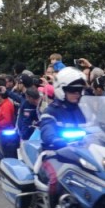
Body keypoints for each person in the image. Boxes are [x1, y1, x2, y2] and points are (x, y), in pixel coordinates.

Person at [38, 67, 88, 195]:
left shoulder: (84, 109)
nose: (77, 93)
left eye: (79, 90)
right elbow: (47, 132)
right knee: (57, 179)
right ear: (61, 89)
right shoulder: (51, 111)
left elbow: (99, 125)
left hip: (82, 155)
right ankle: (54, 207)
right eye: (72, 90)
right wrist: (54, 139)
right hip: (55, 155)